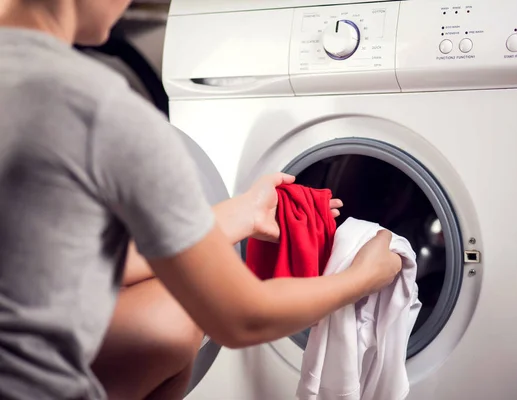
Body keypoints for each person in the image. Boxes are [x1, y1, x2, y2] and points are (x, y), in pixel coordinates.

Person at [0, 1, 404, 400]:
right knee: (191, 306)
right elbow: (241, 319)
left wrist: (240, 215)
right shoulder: (100, 110)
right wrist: (362, 278)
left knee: (173, 311)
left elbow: (62, 261)